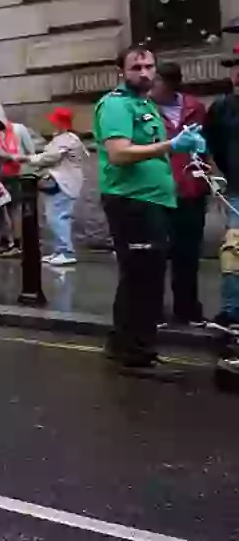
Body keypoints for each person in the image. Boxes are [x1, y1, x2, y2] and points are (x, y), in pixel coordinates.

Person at [95, 46, 204, 377]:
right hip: (132, 201)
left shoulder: (145, 105)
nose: (144, 72)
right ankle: (138, 355)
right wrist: (171, 145)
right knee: (145, 279)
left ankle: (121, 344)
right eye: (136, 67)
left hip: (152, 200)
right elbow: (119, 153)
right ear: (121, 71)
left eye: (148, 66)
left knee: (138, 275)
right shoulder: (116, 104)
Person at [151, 62, 210, 324]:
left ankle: (187, 309)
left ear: (170, 84)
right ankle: (154, 310)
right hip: (157, 191)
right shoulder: (144, 109)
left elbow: (207, 146)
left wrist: (206, 177)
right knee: (155, 254)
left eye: (156, 81)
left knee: (188, 253)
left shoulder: (195, 108)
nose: (150, 85)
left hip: (191, 190)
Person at [204, 45, 239, 327]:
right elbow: (211, 144)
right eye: (235, 66)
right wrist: (218, 178)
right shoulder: (222, 107)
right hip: (237, 190)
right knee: (234, 251)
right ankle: (232, 310)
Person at [26, 108, 86, 267]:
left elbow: (50, 157)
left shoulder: (66, 139)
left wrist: (28, 159)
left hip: (64, 182)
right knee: (55, 216)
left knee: (58, 217)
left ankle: (66, 252)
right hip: (63, 181)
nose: (52, 123)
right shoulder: (64, 138)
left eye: (55, 121)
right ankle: (59, 250)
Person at [0, 104, 39, 251]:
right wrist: (10, 157)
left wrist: (29, 165)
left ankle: (18, 240)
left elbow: (30, 151)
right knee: (0, 208)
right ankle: (5, 238)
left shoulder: (19, 129)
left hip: (17, 174)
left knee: (15, 208)